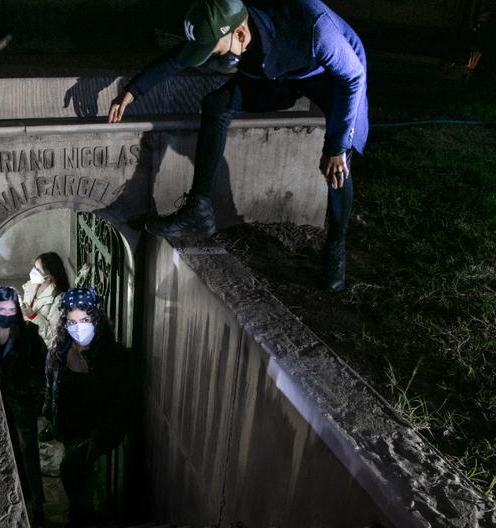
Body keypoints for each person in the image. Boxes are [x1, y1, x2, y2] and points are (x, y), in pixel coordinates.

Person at [108, 0, 368, 292]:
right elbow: (181, 57)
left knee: (339, 160)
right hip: (277, 71)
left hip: (333, 77)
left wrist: (336, 145)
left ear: (240, 34)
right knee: (217, 104)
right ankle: (199, 210)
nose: (213, 60)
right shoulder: (232, 21)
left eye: (215, 51)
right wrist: (133, 91)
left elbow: (353, 77)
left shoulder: (317, 29)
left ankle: (335, 247)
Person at [47, 288, 130, 527]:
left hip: (96, 434)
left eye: (85, 320)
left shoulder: (114, 357)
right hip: (68, 429)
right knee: (76, 480)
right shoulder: (59, 352)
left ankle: (84, 517)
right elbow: (51, 385)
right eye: (72, 322)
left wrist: (100, 437)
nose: (78, 327)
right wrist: (49, 413)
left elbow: (122, 403)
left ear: (96, 319)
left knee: (77, 475)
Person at [0, 286, 47, 527]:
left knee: (28, 450)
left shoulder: (29, 334)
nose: (7, 314)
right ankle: (14, 498)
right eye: (2, 309)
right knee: (5, 449)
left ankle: (37, 504)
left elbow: (41, 370)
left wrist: (30, 395)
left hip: (22, 402)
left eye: (11, 310)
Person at [21, 252, 71, 349]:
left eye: (38, 270)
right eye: (35, 267)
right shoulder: (33, 284)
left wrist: (33, 316)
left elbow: (52, 337)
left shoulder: (58, 300)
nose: (33, 272)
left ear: (49, 276)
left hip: (38, 347)